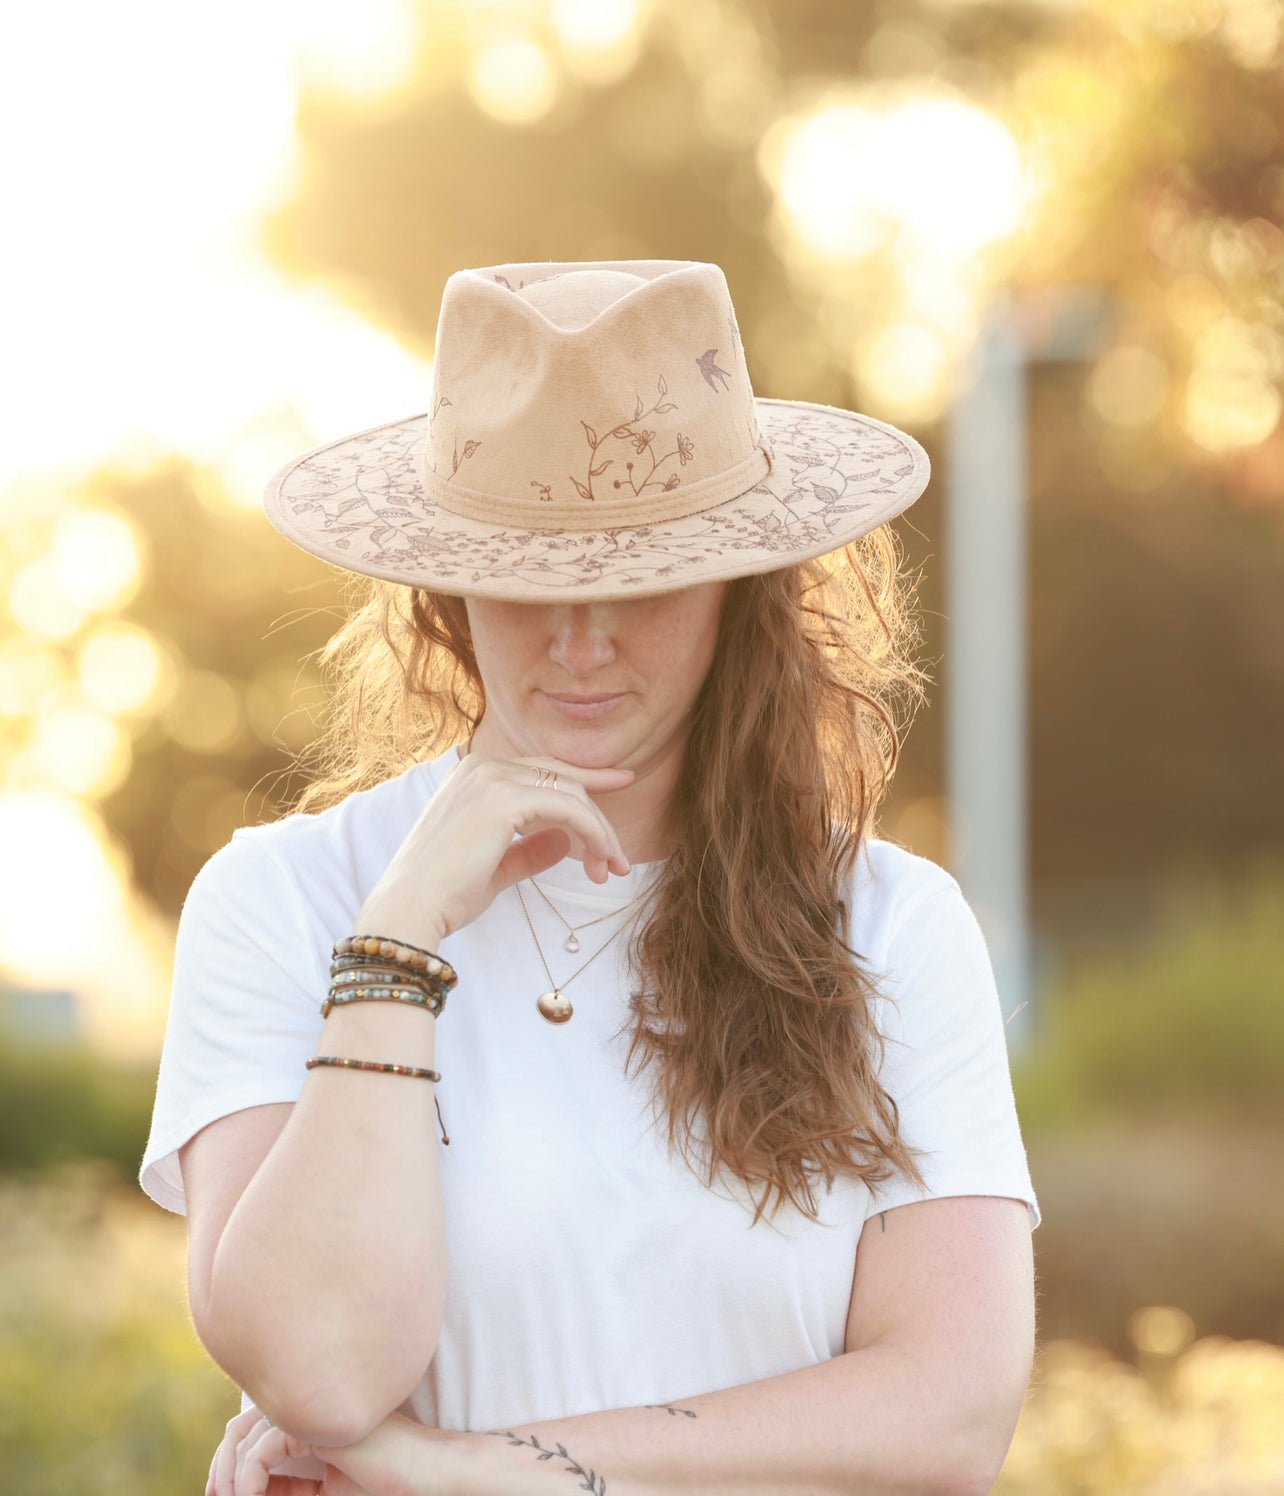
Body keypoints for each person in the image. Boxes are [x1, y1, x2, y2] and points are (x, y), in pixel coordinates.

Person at [139, 259, 1041, 1496]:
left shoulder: (890, 924)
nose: (579, 642)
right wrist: (399, 942)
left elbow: (946, 1417)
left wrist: (467, 1470)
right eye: (526, 581)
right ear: (448, 591)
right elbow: (323, 1369)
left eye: (639, 580)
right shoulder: (287, 900)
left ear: (740, 589)